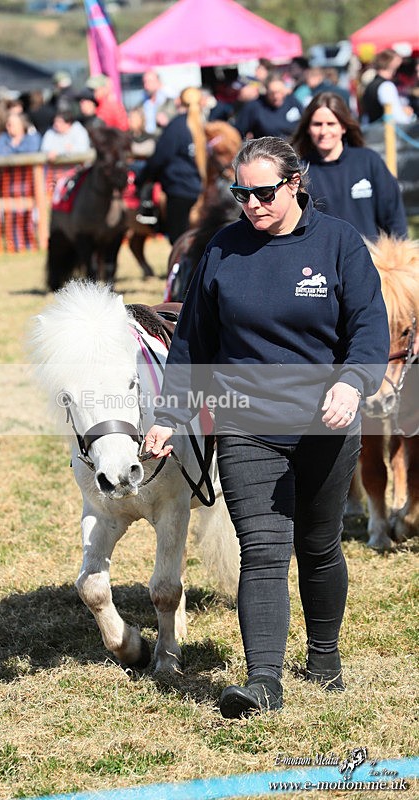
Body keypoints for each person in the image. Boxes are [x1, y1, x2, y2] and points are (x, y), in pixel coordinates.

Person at [144, 136, 389, 717]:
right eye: (241, 193)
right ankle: (263, 682)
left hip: (324, 422)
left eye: (263, 192)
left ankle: (324, 658)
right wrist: (169, 417)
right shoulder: (224, 251)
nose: (251, 204)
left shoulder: (338, 244)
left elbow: (369, 329)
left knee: (319, 544)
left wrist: (351, 382)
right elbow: (193, 344)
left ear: (295, 183)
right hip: (247, 424)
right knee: (262, 550)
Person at [290, 92, 408, 240]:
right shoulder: (300, 171)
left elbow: (394, 217)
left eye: (331, 124)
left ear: (344, 127)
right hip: (325, 259)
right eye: (317, 124)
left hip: (371, 258)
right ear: (307, 128)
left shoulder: (369, 161)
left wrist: (399, 256)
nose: (324, 131)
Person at [136, 86, 207, 243]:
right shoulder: (202, 125)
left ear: (179, 101)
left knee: (179, 240)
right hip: (200, 190)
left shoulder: (177, 126)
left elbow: (160, 157)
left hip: (179, 190)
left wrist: (142, 179)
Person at [234, 73, 303, 139]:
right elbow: (238, 133)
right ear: (266, 91)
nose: (276, 96)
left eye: (279, 92)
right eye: (272, 93)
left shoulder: (292, 101)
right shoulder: (255, 106)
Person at [360, 49, 414, 125]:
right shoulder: (386, 86)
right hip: (385, 132)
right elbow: (397, 117)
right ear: (392, 63)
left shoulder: (371, 84)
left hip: (372, 129)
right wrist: (407, 116)